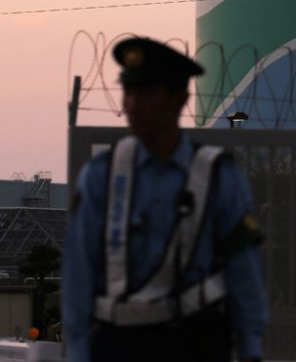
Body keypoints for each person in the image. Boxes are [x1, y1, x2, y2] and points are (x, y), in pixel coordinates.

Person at [62, 37, 268, 362]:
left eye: (146, 93)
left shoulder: (217, 176)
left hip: (194, 341)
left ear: (180, 99)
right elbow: (78, 271)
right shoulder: (101, 176)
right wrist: (77, 352)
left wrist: (250, 349)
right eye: (128, 92)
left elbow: (243, 270)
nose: (132, 104)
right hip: (119, 343)